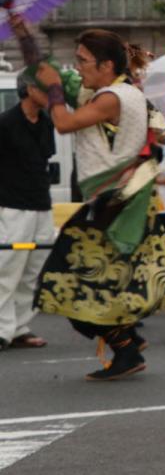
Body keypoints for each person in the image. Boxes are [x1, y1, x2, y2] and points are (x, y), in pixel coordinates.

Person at [22, 26, 165, 381]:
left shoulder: (112, 98)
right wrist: (25, 36)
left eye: (83, 61)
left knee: (67, 282)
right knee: (103, 282)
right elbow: (51, 85)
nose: (78, 68)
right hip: (117, 201)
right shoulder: (118, 92)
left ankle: (125, 348)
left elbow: (63, 123)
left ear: (106, 65)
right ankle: (128, 339)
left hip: (115, 205)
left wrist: (55, 89)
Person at [0, 74, 55, 351]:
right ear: (30, 89)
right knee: (7, 267)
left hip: (41, 202)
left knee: (34, 269)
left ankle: (19, 326)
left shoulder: (46, 121)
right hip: (12, 203)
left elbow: (46, 157)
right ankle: (2, 328)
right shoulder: (6, 122)